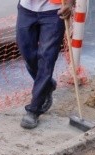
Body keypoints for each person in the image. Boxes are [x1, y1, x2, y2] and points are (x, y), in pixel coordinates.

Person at [16, 0, 74, 129]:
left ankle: (34, 109)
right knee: (27, 54)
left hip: (53, 11)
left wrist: (70, 2)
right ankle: (48, 85)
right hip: (26, 9)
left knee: (47, 59)